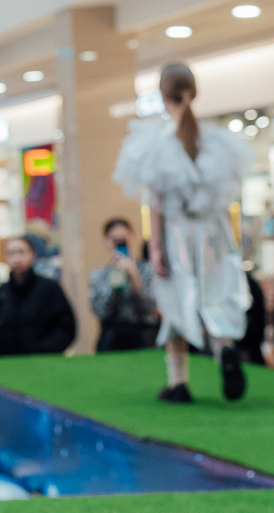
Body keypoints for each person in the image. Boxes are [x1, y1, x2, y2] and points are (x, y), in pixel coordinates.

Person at [113, 62, 251, 402]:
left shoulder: (156, 143)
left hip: (178, 234)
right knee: (216, 296)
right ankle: (224, 349)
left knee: (176, 300)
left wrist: (155, 247)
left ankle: (178, 382)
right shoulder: (217, 142)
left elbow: (156, 203)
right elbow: (225, 199)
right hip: (214, 233)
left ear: (163, 96)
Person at [0, 236, 76, 356]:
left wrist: (45, 350)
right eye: (11, 253)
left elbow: (66, 327)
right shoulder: (0, 293)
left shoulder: (50, 289)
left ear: (32, 254)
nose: (17, 258)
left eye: (21, 252)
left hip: (45, 359)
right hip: (9, 361)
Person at [89, 217, 158, 352]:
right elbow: (100, 312)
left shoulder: (148, 270)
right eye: (115, 239)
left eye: (124, 238)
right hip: (111, 338)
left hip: (143, 337)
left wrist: (135, 278)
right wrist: (116, 282)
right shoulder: (98, 275)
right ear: (106, 242)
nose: (119, 243)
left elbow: (151, 310)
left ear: (132, 238)